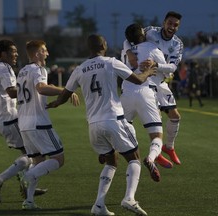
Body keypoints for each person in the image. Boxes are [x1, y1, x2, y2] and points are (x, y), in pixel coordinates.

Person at [47, 34, 156, 216]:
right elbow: (137, 80)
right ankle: (129, 198)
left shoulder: (80, 69)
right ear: (104, 45)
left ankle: (99, 205)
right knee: (134, 158)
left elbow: (66, 93)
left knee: (111, 161)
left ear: (88, 48)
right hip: (114, 119)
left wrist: (56, 103)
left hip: (93, 125)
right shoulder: (110, 62)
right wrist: (148, 72)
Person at [0, 39, 47, 203]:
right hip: (9, 117)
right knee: (34, 154)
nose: (16, 54)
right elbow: (12, 92)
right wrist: (30, 89)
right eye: (13, 51)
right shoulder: (5, 68)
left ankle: (26, 184)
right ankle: (1, 179)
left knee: (31, 152)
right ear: (3, 54)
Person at [16, 40, 80, 210]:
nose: (47, 53)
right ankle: (26, 176)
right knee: (59, 159)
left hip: (23, 123)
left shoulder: (22, 71)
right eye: (44, 50)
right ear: (37, 54)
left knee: (38, 161)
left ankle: (28, 201)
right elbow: (41, 88)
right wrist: (65, 91)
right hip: (38, 123)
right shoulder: (38, 69)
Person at [125, 11, 184, 166]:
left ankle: (169, 147)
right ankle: (155, 153)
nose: (171, 27)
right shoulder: (151, 31)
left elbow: (172, 67)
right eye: (169, 23)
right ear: (164, 22)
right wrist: (129, 52)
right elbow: (130, 36)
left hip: (160, 81)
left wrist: (157, 65)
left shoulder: (177, 44)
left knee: (175, 116)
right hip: (146, 82)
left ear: (178, 27)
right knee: (155, 118)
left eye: (175, 25)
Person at [120, 23, 171, 182]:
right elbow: (167, 70)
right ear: (142, 34)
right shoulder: (151, 47)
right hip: (145, 91)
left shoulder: (124, 51)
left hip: (126, 92)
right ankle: (151, 157)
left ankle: (108, 153)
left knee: (122, 129)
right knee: (157, 135)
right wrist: (157, 67)